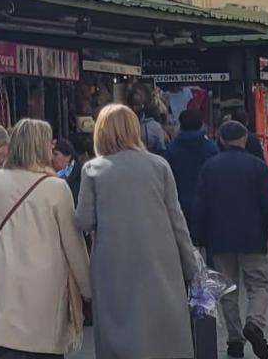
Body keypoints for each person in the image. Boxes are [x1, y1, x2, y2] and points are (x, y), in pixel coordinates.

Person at [0, 118, 92, 359]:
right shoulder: (56, 188)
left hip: (3, 285)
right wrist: (87, 287)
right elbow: (73, 244)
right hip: (45, 292)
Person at [78, 103, 197, 359]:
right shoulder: (159, 165)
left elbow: (84, 220)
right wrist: (192, 266)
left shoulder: (93, 169)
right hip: (159, 261)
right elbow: (177, 220)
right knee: (162, 335)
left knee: (117, 333)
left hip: (113, 265)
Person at [193, 120, 268, 359]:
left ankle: (235, 340)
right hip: (252, 236)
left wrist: (198, 237)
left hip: (219, 238)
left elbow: (200, 205)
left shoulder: (209, 166)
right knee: (258, 284)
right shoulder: (257, 166)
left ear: (221, 139)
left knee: (227, 289)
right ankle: (254, 322)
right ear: (245, 139)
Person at [165, 108, 220, 239]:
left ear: (181, 125)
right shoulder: (211, 148)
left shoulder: (172, 148)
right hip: (207, 203)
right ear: (201, 124)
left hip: (179, 203)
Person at [53, 138, 83, 205]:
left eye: (55, 154)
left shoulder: (81, 174)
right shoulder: (49, 173)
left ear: (68, 157)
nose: (52, 158)